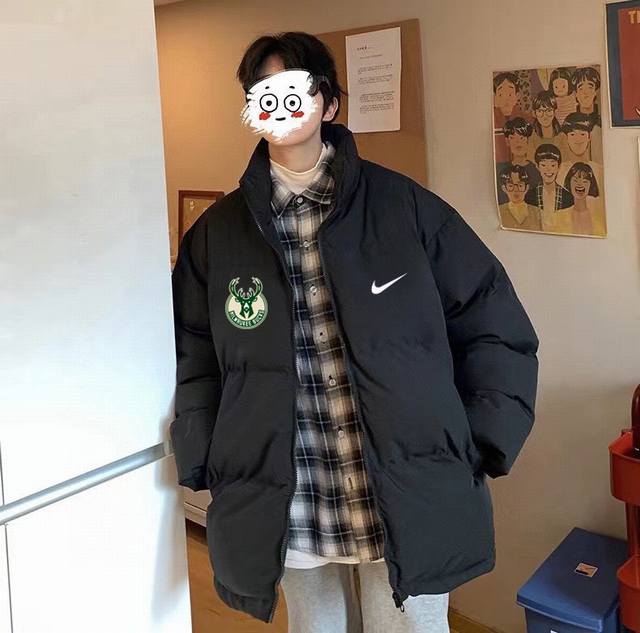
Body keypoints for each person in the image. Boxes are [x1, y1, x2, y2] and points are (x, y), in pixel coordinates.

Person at [169, 31, 540, 631]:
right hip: (288, 492)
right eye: (263, 91)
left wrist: (480, 439)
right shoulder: (217, 236)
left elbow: (493, 321)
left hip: (405, 483)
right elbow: (194, 357)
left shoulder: (405, 209)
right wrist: (205, 456)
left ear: (330, 104)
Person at [526, 144, 573, 229]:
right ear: (537, 167)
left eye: (553, 165)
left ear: (559, 167)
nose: (548, 169)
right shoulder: (529, 196)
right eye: (543, 165)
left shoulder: (568, 197)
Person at [496, 117, 542, 205]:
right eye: (512, 138)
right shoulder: (499, 169)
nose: (518, 143)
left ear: (528, 140)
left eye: (522, 138)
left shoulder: (537, 171)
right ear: (507, 141)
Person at [493, 72, 532, 163]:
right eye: (501, 95)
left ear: (517, 96)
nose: (506, 99)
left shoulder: (528, 119)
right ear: (495, 98)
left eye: (510, 94)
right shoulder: (492, 120)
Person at [562, 162, 607, 237]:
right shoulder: (561, 216)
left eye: (585, 181)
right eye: (575, 180)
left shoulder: (598, 216)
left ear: (591, 184)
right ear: (569, 183)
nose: (580, 184)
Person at [497, 164, 542, 231]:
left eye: (520, 185)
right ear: (504, 188)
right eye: (511, 186)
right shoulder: (498, 211)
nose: (516, 190)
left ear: (526, 188)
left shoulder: (538, 212)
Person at [527, 90, 563, 162]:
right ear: (534, 113)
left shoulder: (562, 136)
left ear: (555, 112)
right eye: (540, 111)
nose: (545, 116)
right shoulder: (531, 137)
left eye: (548, 110)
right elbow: (530, 161)